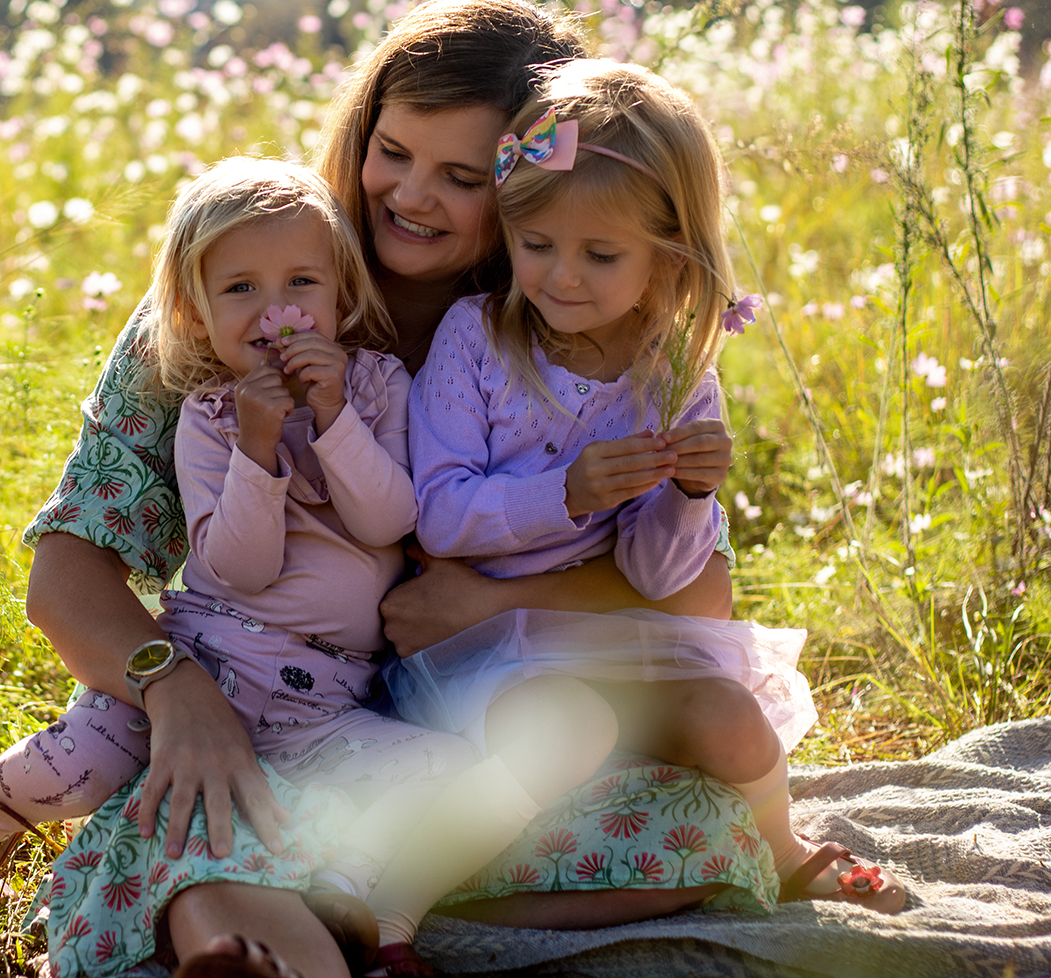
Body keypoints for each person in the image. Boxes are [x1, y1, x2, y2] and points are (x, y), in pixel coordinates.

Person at [0, 0, 770, 978]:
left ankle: (373, 910)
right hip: (242, 701)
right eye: (392, 150)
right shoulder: (241, 292)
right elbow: (66, 576)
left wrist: (497, 598)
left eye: (461, 176)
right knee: (216, 810)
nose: (410, 196)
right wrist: (177, 692)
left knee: (694, 830)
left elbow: (699, 596)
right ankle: (275, 944)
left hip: (454, 740)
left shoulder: (578, 334)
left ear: (526, 195)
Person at [332, 60, 907, 961]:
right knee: (572, 726)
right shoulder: (478, 339)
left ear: (669, 256)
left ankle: (786, 851)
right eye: (535, 244)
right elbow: (440, 517)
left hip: (616, 639)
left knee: (729, 714)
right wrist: (565, 493)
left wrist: (688, 495)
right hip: (480, 655)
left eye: (601, 255)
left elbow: (657, 575)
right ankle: (401, 898)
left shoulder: (675, 373)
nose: (561, 278)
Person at [0, 158, 480, 956]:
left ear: (341, 294)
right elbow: (241, 567)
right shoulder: (210, 417)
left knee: (443, 777)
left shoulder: (376, 387)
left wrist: (336, 418)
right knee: (79, 768)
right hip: (204, 662)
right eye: (240, 289)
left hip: (323, 707)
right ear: (195, 315)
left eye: (302, 283)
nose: (277, 311)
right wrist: (260, 451)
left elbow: (388, 518)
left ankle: (354, 894)